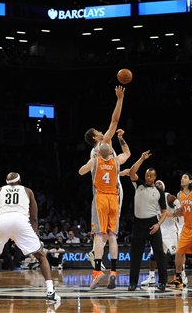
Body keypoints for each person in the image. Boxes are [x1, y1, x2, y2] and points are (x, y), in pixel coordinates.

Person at [0, 172, 60, 303]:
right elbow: (34, 217)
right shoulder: (28, 191)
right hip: (20, 221)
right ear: (20, 181)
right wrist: (34, 235)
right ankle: (50, 292)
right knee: (40, 256)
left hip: (2, 221)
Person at [83, 86, 128, 270]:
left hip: (99, 193)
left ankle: (96, 254)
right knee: (110, 232)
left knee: (100, 231)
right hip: (112, 192)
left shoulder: (95, 154)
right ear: (95, 137)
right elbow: (115, 120)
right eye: (98, 131)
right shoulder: (104, 144)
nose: (103, 131)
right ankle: (106, 263)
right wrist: (120, 99)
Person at [79, 142, 129, 289]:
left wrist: (92, 160)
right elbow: (127, 153)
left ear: (99, 153)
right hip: (114, 199)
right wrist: (121, 139)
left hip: (100, 199)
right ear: (111, 153)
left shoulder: (95, 160)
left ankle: (97, 271)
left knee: (99, 236)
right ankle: (113, 271)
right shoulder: (116, 161)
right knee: (112, 236)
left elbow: (81, 171)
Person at [128, 150, 168, 292]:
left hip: (153, 224)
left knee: (159, 254)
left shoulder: (159, 192)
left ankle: (163, 282)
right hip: (138, 224)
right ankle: (133, 283)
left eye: (151, 176)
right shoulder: (138, 185)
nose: (148, 177)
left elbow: (165, 212)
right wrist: (141, 158)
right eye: (147, 175)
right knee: (135, 255)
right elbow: (132, 172)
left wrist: (158, 224)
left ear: (155, 177)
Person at [141, 180, 179, 286]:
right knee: (153, 254)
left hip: (171, 230)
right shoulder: (152, 200)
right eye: (156, 184)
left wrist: (172, 214)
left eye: (160, 184)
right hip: (160, 229)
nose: (157, 185)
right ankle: (151, 277)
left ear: (163, 187)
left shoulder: (169, 197)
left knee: (177, 254)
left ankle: (181, 276)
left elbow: (181, 210)